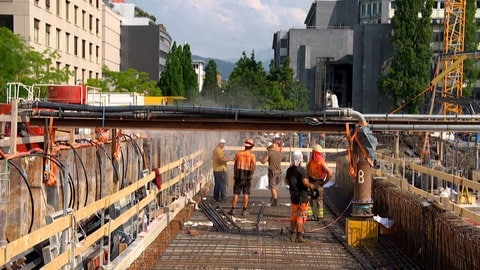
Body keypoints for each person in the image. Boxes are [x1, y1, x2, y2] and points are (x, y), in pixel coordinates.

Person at [285, 150, 315, 243]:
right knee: (300, 217)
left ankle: (292, 234)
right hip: (302, 198)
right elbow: (305, 182)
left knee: (293, 216)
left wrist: (293, 185)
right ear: (301, 159)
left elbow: (286, 181)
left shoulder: (289, 170)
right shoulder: (302, 170)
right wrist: (312, 186)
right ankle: (299, 236)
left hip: (293, 197)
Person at [227, 138, 256, 217]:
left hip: (239, 175)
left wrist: (235, 174)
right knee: (246, 193)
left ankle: (233, 209)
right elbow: (253, 166)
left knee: (236, 193)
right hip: (247, 176)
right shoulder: (252, 156)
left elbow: (235, 165)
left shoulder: (238, 154)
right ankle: (244, 210)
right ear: (252, 147)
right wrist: (251, 175)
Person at [306, 144, 333, 220]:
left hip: (318, 182)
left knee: (318, 199)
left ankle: (319, 216)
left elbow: (330, 174)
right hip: (312, 181)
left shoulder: (322, 162)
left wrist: (324, 182)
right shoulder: (312, 161)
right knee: (309, 197)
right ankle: (311, 214)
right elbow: (308, 168)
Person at [260, 140, 282, 206]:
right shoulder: (279, 153)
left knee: (272, 187)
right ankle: (273, 198)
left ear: (269, 147)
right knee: (276, 187)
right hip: (279, 172)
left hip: (273, 173)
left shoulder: (269, 153)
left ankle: (275, 201)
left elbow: (264, 161)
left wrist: (260, 159)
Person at [212, 138, 231, 202]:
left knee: (217, 184)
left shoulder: (215, 150)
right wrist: (228, 159)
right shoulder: (219, 150)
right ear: (220, 144)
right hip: (220, 170)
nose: (223, 145)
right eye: (223, 144)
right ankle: (223, 198)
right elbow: (220, 160)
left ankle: (216, 197)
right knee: (222, 184)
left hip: (216, 170)